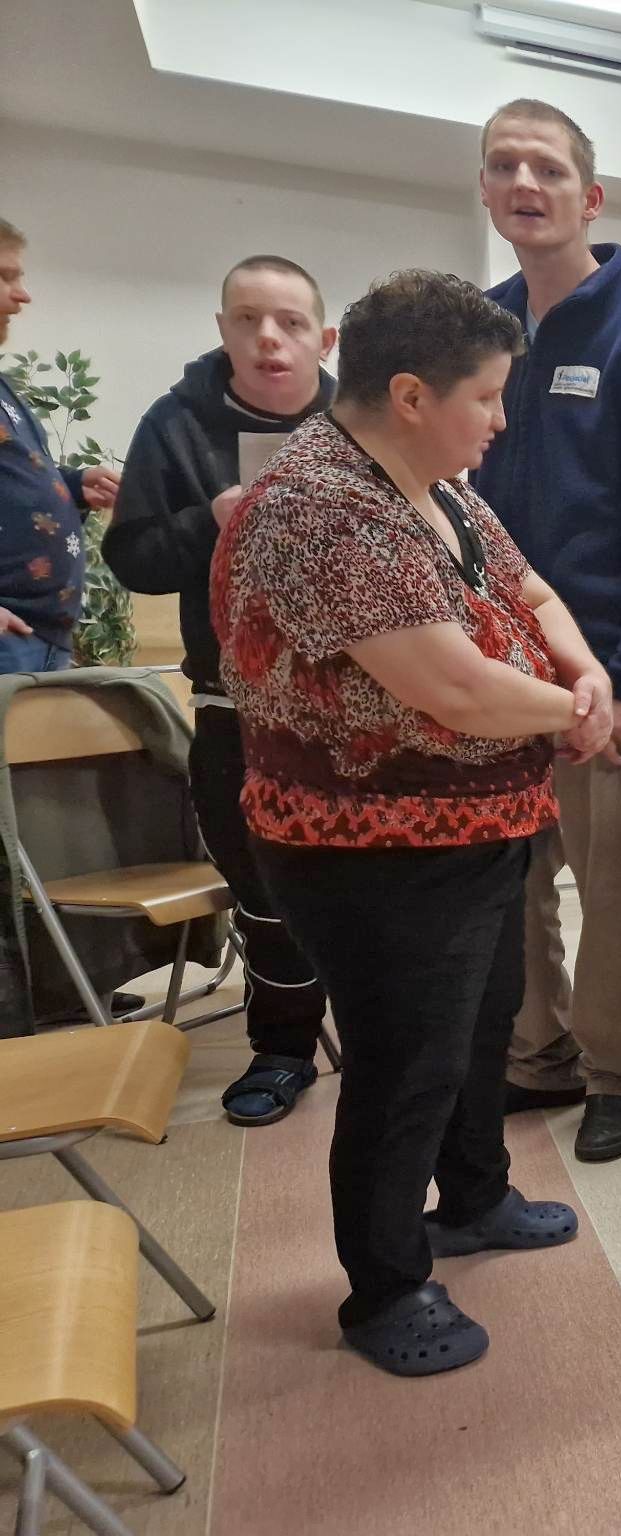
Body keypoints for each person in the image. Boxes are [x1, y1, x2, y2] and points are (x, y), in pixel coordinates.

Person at [213, 269, 613, 1375]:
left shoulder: (435, 485)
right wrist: (577, 713)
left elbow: (530, 593)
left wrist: (580, 671)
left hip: (471, 826)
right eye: (484, 397)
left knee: (479, 1026)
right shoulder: (325, 509)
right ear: (408, 394)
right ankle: (385, 1288)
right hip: (370, 849)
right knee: (404, 1066)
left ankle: (474, 1196)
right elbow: (456, 690)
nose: (498, 420)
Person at [473, 98, 621, 1165]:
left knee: (612, 888)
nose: (526, 184)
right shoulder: (479, 331)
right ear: (485, 190)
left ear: (590, 197)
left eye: (549, 169)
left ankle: (616, 1070)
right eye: (504, 166)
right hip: (489, 674)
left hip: (606, 676)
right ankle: (539, 1053)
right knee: (509, 882)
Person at [104, 255, 336, 1126]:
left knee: (367, 884)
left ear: (324, 337)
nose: (269, 338)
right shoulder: (175, 425)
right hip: (234, 704)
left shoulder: (361, 419)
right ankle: (282, 1048)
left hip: (357, 705)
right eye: (248, 319)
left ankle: (381, 1031)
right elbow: (132, 558)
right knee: (264, 889)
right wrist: (213, 519)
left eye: (290, 322)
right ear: (222, 330)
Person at [0, 217, 120, 671]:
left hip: (40, 636)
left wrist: (72, 486)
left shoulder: (3, 388)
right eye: (5, 277)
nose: (23, 295)